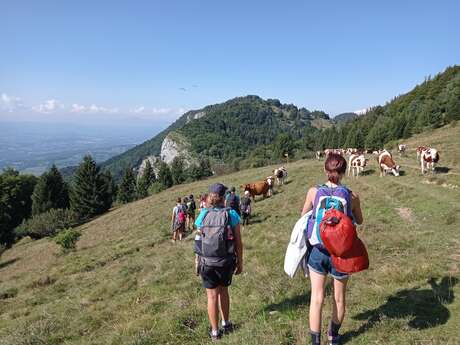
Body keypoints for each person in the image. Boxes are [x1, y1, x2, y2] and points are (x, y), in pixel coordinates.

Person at [301, 153, 363, 345]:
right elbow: (359, 220)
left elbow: (303, 216)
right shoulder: (351, 196)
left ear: (325, 170)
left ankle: (315, 342)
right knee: (338, 298)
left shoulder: (313, 192)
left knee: (317, 297)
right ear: (344, 172)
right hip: (342, 253)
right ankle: (334, 337)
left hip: (318, 251)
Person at [195, 183, 243, 341]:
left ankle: (215, 332)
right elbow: (238, 242)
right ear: (224, 198)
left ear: (210, 197)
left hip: (206, 262)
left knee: (211, 296)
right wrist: (240, 262)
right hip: (225, 261)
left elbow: (198, 240)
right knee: (224, 292)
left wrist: (197, 262)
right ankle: (226, 324)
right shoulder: (232, 215)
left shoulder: (203, 214)